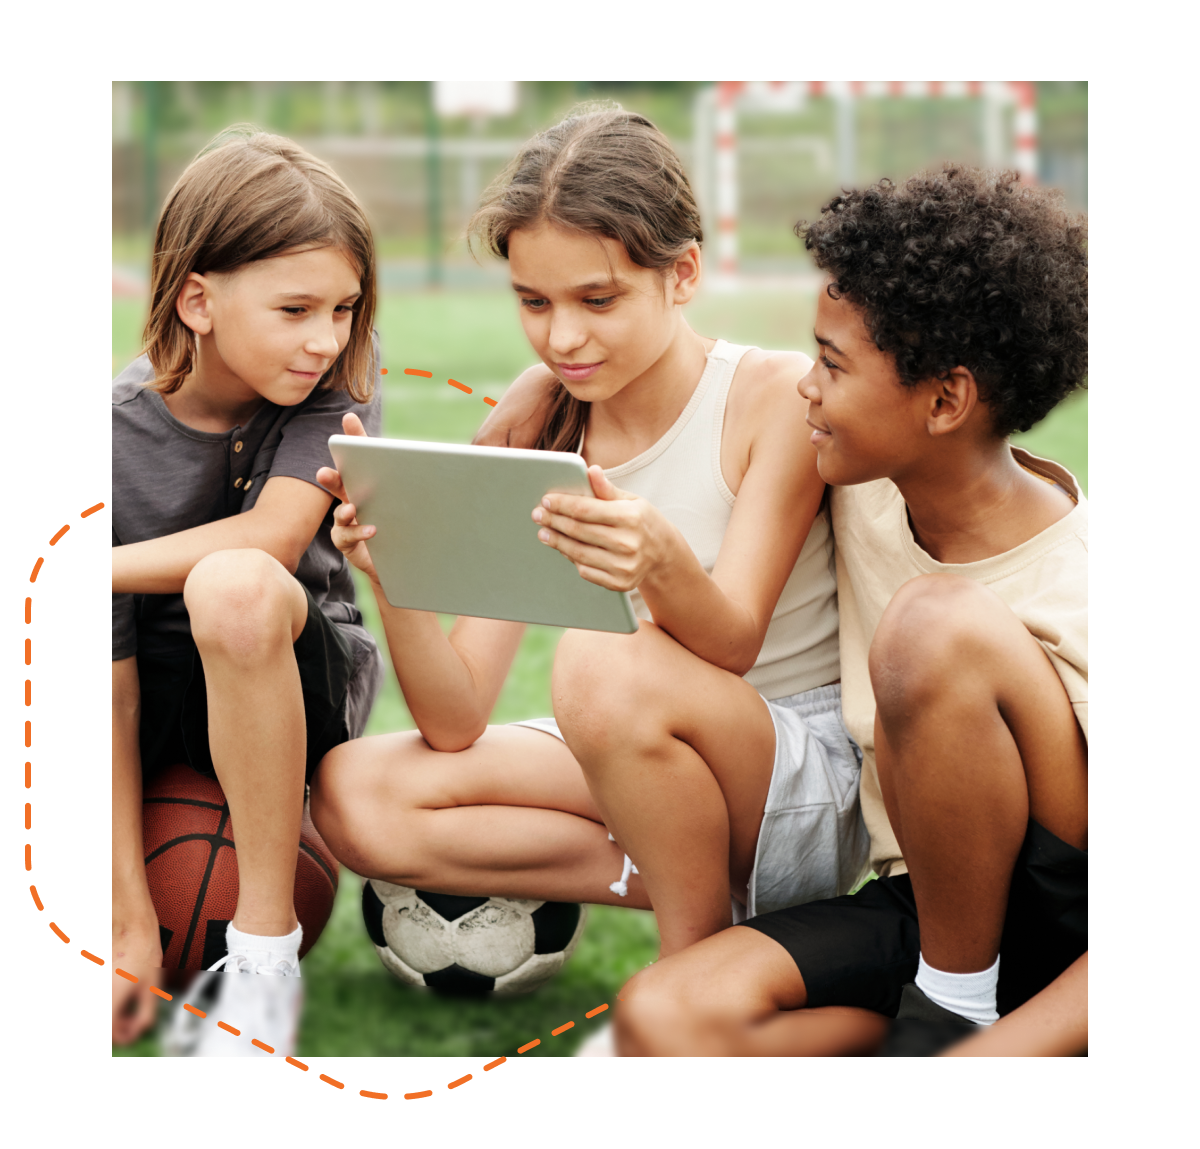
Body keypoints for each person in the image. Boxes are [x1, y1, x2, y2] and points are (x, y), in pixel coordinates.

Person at [310, 107, 869, 961]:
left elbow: (734, 642)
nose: (562, 337)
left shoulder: (771, 398)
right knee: (355, 794)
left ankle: (693, 959)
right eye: (534, 302)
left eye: (597, 300)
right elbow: (456, 719)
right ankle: (696, 881)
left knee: (602, 659)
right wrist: (396, 573)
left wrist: (660, 561)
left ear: (682, 274)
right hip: (637, 746)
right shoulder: (545, 432)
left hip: (792, 775)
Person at [612, 165, 1088, 1056]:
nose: (808, 386)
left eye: (832, 365)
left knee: (933, 628)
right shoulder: (862, 484)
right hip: (928, 903)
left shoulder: (1075, 581)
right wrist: (548, 387)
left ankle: (953, 1014)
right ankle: (944, 1011)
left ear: (944, 400)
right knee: (662, 1018)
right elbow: (708, 383)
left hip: (1065, 936)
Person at [111, 129, 385, 1053]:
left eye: (343, 307)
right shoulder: (119, 437)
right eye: (296, 309)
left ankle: (264, 961)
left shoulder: (335, 381)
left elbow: (270, 542)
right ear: (198, 300)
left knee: (234, 587)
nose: (325, 338)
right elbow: (113, 693)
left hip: (294, 671)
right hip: (151, 693)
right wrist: (133, 924)